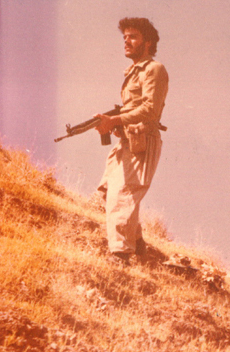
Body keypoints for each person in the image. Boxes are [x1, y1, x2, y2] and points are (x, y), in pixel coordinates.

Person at [94, 17, 169, 265]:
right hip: (128, 140)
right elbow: (133, 109)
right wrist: (116, 125)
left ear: (147, 42)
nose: (126, 41)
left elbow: (150, 109)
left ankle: (120, 255)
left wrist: (114, 120)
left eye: (133, 36)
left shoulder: (153, 69)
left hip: (142, 140)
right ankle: (137, 244)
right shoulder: (133, 72)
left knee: (123, 195)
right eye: (124, 37)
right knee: (109, 191)